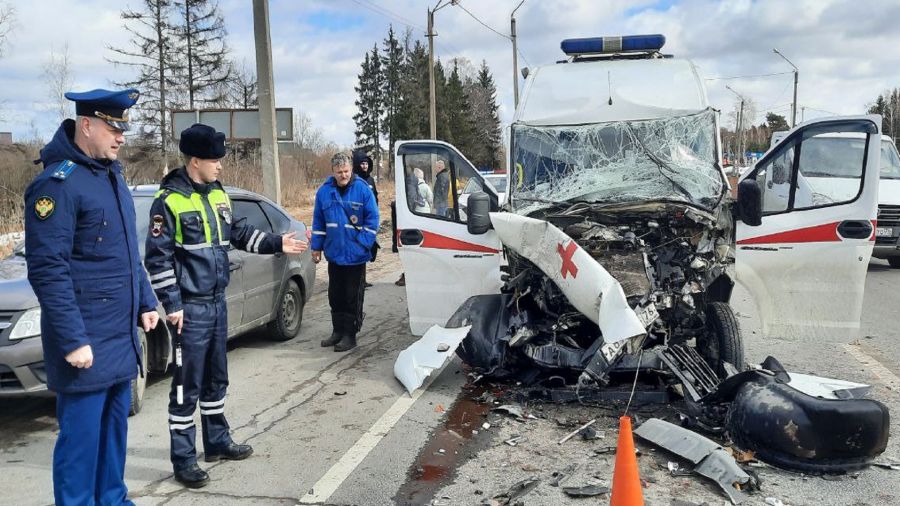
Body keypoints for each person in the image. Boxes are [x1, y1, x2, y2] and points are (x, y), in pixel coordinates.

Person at [143, 123, 308, 488]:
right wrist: (173, 305)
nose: (220, 165)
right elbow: (157, 260)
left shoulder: (218, 195)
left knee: (217, 379)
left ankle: (216, 442)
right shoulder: (168, 202)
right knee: (187, 386)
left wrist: (277, 243)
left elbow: (240, 234)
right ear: (196, 160)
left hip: (218, 304)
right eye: (215, 159)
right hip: (190, 308)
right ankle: (184, 459)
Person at [24, 88, 160, 505]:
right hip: (85, 343)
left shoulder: (111, 175)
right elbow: (48, 269)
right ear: (87, 126)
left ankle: (114, 501)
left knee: (114, 439)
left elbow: (123, 252)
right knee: (81, 449)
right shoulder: (57, 184)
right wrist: (72, 339)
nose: (121, 137)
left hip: (119, 337)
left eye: (123, 129)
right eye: (112, 128)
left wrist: (145, 302)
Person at [311, 152, 380, 352]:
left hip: (356, 257)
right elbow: (318, 222)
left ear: (351, 170)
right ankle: (337, 332)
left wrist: (362, 244)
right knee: (335, 295)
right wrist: (316, 247)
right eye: (339, 172)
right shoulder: (324, 192)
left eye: (346, 171)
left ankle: (350, 335)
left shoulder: (363, 190)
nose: (343, 175)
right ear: (333, 171)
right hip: (335, 255)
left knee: (352, 297)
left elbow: (373, 219)